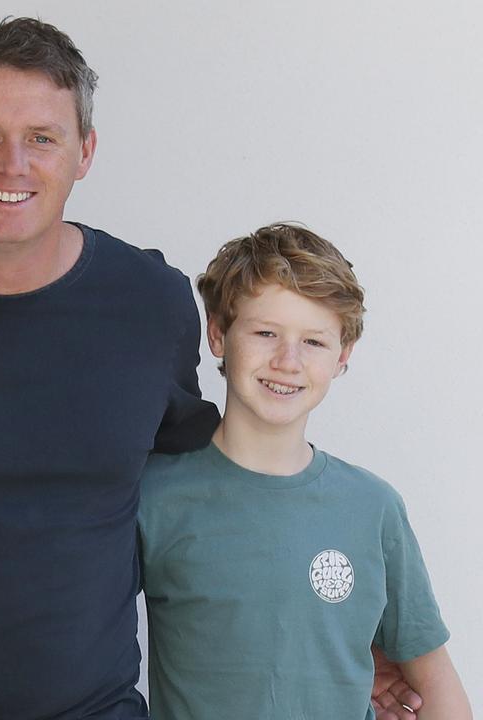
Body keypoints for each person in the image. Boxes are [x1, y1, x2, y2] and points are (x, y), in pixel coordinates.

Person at [0, 17, 423, 720]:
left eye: (42, 137)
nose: (14, 164)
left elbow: (209, 499)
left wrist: (333, 635)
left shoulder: (148, 306)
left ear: (85, 152)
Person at [138, 225, 471, 719]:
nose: (287, 361)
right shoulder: (154, 495)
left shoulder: (372, 507)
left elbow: (435, 682)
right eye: (266, 332)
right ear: (218, 335)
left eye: (313, 341)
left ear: (343, 355)